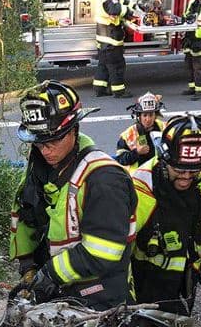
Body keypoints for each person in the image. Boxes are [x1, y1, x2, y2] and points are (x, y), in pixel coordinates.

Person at [10, 80, 137, 310]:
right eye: (39, 143)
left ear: (73, 129)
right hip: (60, 289)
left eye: (53, 141)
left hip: (100, 296)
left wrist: (49, 273)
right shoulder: (42, 168)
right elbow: (28, 215)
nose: (45, 150)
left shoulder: (104, 179)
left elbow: (103, 252)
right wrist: (28, 265)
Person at [130, 114, 201, 315]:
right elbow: (120, 244)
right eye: (179, 170)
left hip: (183, 281)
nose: (186, 178)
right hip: (145, 285)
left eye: (194, 170)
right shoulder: (142, 187)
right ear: (164, 158)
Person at [92, 0, 134, 99]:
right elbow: (115, 9)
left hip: (104, 38)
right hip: (110, 39)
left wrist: (134, 4)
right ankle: (119, 91)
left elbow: (120, 2)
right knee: (117, 65)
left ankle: (100, 89)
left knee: (103, 65)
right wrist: (130, 12)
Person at [115, 92, 165, 169]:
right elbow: (120, 159)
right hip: (138, 175)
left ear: (155, 115)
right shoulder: (129, 134)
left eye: (151, 115)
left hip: (160, 172)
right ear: (139, 116)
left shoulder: (164, 128)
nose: (148, 119)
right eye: (144, 115)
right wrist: (136, 152)